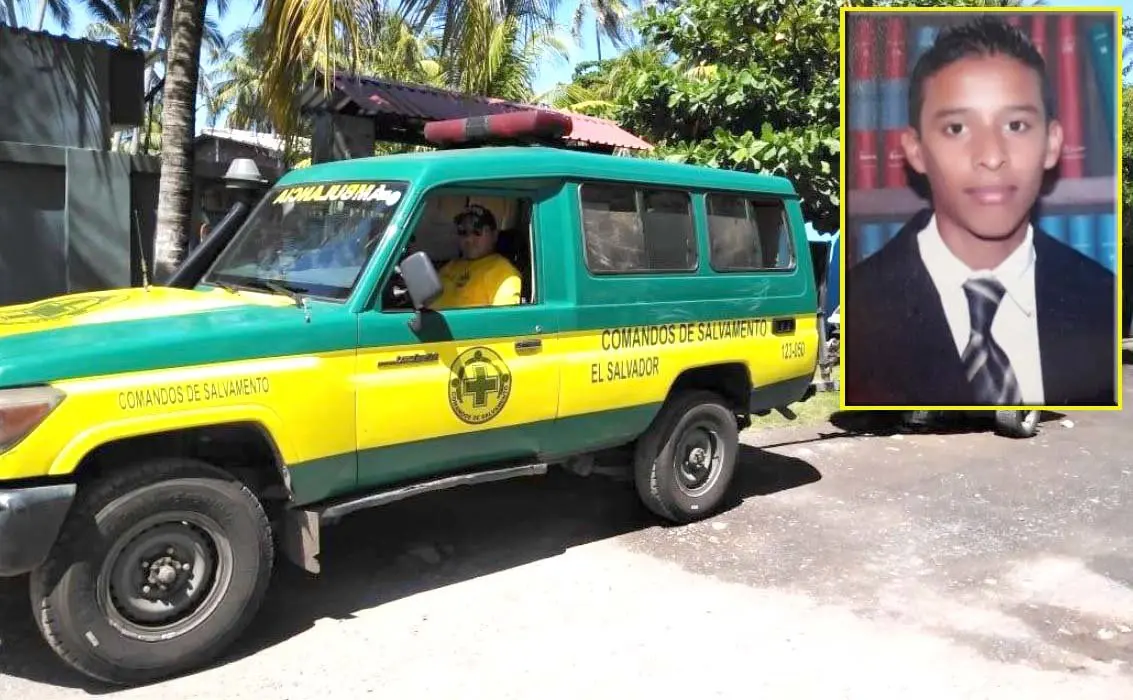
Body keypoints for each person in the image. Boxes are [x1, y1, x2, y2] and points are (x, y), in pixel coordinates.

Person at [844, 16, 1116, 407]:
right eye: (957, 128)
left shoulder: (1104, 300)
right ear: (916, 151)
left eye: (1016, 125)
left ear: (1052, 143)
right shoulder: (859, 311)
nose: (990, 156)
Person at [431, 204, 522, 309]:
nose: (469, 239)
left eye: (477, 232)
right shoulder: (452, 265)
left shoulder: (504, 273)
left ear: (494, 235)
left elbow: (504, 317)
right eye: (463, 232)